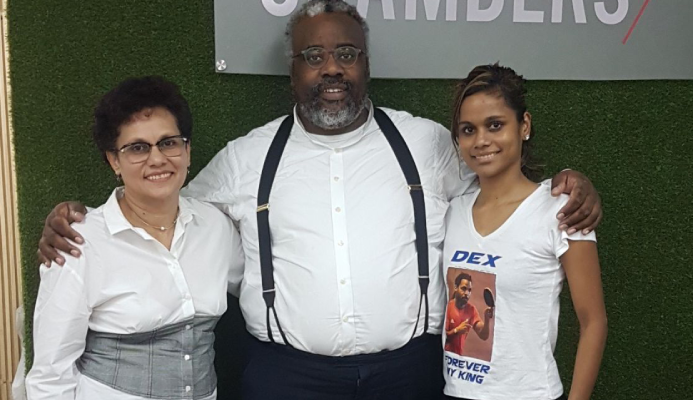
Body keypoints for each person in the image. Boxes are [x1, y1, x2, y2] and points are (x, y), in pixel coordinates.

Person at [36, 1, 603, 399]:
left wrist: (568, 184)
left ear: (366, 63)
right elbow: (165, 205)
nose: (331, 67)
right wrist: (80, 217)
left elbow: (500, 180)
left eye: (347, 53)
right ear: (292, 69)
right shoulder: (246, 157)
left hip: (411, 373)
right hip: (286, 378)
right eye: (314, 56)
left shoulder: (428, 143)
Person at [25, 76, 243, 400]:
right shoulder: (78, 242)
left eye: (169, 142)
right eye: (137, 148)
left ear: (187, 150)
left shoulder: (215, 227)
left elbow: (262, 293)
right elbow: (50, 375)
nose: (157, 159)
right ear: (114, 160)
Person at [442, 64, 607, 400]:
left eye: (495, 125)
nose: (481, 140)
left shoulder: (559, 209)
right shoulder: (453, 211)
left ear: (524, 126)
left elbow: (594, 323)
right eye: (468, 130)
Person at [444, 272, 491, 356]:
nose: (467, 293)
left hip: (457, 358)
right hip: (443, 356)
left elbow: (483, 336)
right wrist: (456, 331)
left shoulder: (471, 310)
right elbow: (442, 336)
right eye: (463, 289)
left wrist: (486, 319)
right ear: (456, 287)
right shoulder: (447, 307)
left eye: (469, 290)